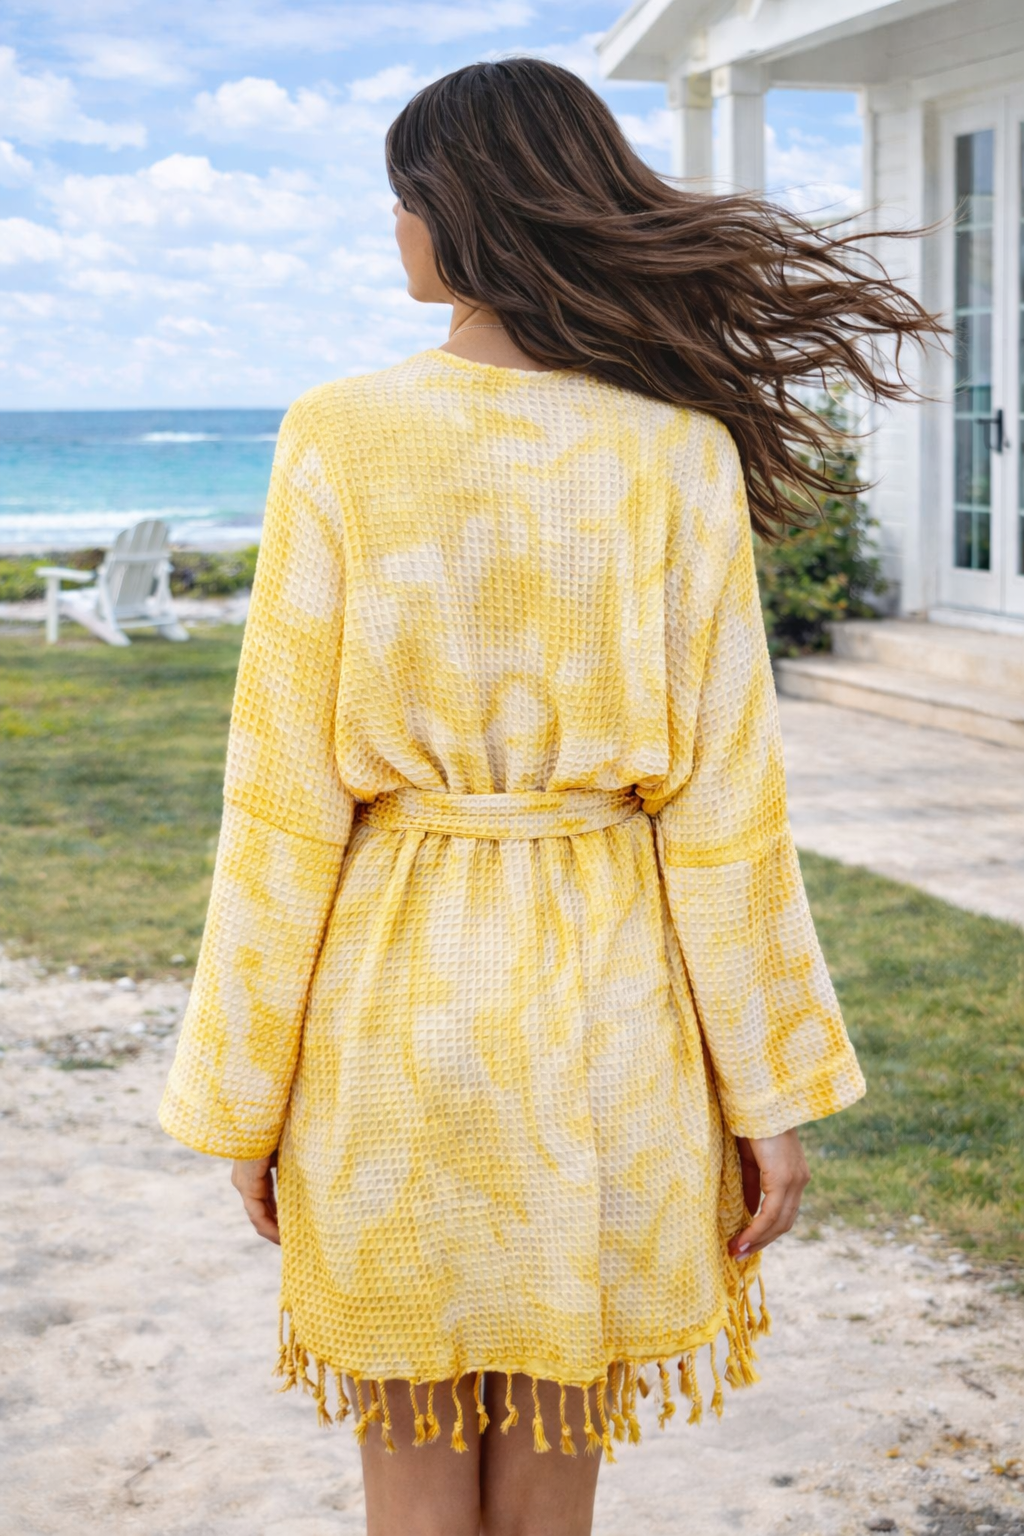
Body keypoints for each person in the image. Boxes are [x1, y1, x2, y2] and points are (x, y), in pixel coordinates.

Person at [159, 58, 944, 1536]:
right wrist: (764, 1093)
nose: (391, 224)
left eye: (404, 194)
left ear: (464, 209)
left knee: (410, 1443)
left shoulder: (338, 434)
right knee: (550, 1472)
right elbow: (726, 812)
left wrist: (245, 1095)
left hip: (390, 1011)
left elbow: (278, 802)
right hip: (612, 1014)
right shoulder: (677, 451)